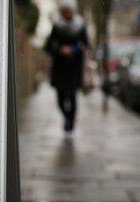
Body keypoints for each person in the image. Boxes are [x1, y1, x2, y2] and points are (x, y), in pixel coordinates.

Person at [44, 0, 89, 136]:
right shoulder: (57, 26)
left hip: (74, 67)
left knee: (72, 96)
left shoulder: (80, 26)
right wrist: (59, 49)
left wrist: (74, 49)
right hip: (59, 67)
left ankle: (70, 125)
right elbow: (49, 45)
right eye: (65, 11)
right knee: (60, 98)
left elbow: (85, 44)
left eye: (69, 10)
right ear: (62, 12)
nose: (67, 13)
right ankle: (66, 117)